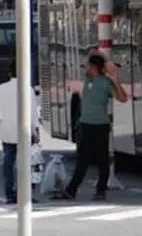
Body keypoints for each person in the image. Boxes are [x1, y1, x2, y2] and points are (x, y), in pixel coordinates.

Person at [54, 53, 128, 201]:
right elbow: (93, 53)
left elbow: (122, 98)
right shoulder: (87, 78)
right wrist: (105, 61)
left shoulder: (106, 83)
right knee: (83, 160)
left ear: (95, 67)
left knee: (102, 160)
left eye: (89, 65)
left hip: (100, 125)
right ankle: (71, 190)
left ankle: (100, 190)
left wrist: (115, 79)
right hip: (86, 125)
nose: (86, 67)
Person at [0, 61, 41, 204]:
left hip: (7, 132)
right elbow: (33, 113)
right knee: (26, 164)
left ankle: (9, 194)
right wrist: (36, 131)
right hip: (24, 133)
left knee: (9, 164)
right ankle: (25, 193)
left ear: (9, 73)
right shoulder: (27, 89)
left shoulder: (3, 88)